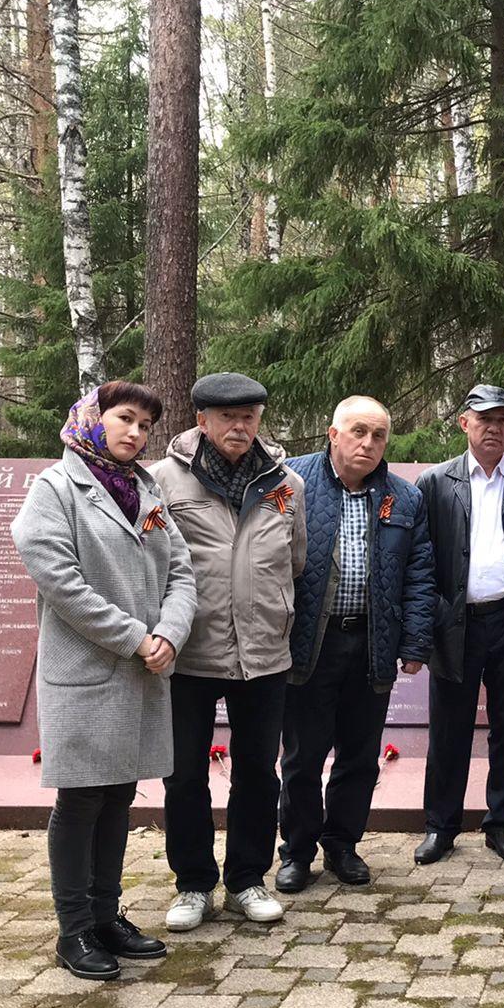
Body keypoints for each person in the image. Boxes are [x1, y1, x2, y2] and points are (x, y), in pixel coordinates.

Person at [11, 382, 197, 981]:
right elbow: (58, 579)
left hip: (143, 668)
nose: (136, 433)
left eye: (145, 425)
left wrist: (169, 631)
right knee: (83, 796)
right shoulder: (56, 487)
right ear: (93, 419)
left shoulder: (147, 490)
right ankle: (74, 930)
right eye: (125, 418)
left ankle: (105, 914)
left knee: (119, 792)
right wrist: (134, 636)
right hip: (89, 670)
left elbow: (183, 575)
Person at [150, 372, 305, 931]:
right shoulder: (162, 482)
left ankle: (246, 879)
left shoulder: (285, 483)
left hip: (263, 650)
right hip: (189, 652)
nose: (240, 427)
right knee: (184, 773)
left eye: (250, 417)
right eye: (227, 418)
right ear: (201, 421)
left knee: (260, 772)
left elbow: (295, 559)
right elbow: (152, 563)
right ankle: (193, 883)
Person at [276, 396, 436, 891]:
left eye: (378, 435)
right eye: (358, 432)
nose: (368, 443)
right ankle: (297, 852)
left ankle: (342, 845)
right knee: (302, 756)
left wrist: (415, 641)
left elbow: (419, 574)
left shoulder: (404, 498)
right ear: (332, 433)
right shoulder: (290, 482)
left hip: (371, 643)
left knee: (360, 755)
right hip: (309, 643)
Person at [414, 385, 504, 864]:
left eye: (503, 419)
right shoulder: (436, 483)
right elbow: (422, 559)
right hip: (454, 625)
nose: (493, 427)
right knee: (448, 731)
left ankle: (501, 825)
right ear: (464, 424)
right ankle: (441, 826)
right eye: (484, 419)